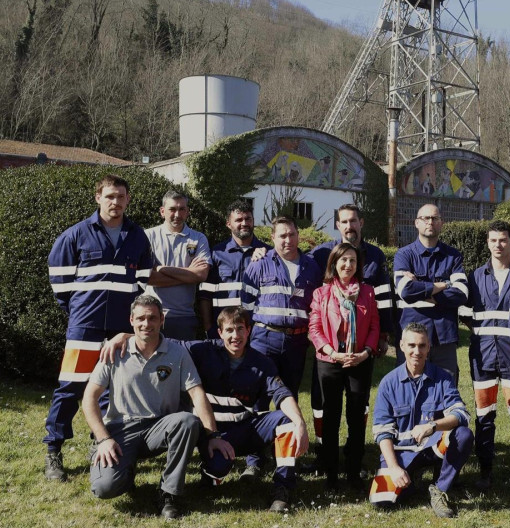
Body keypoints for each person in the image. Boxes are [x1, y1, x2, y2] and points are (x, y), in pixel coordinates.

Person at [101, 305, 310, 513]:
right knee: (218, 467)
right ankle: (208, 474)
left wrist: (300, 423)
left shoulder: (262, 362)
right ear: (220, 333)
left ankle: (283, 487)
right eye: (229, 330)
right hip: (209, 433)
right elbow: (155, 337)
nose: (235, 335)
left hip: (243, 428)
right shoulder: (202, 349)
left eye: (240, 329)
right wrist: (124, 336)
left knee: (286, 421)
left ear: (249, 331)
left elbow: (282, 395)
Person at [82, 295, 233, 519]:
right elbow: (88, 400)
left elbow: (197, 394)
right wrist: (103, 439)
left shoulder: (177, 353)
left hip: (159, 427)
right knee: (105, 488)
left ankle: (168, 494)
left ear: (162, 319)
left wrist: (214, 434)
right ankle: (122, 468)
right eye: (141, 318)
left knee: (187, 421)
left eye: (152, 318)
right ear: (131, 320)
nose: (146, 324)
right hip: (120, 429)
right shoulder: (113, 351)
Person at [44, 174, 153, 481]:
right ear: (98, 198)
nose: (115, 202)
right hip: (85, 327)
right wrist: (79, 312)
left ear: (128, 200)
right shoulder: (76, 235)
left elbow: (142, 282)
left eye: (120, 196)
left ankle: (100, 444)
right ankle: (54, 450)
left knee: (112, 390)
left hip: (119, 328)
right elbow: (60, 284)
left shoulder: (137, 236)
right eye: (109, 196)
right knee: (70, 389)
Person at [306, 203, 393, 471]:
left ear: (361, 223)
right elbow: (315, 322)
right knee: (327, 411)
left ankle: (355, 461)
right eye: (343, 221)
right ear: (337, 225)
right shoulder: (320, 255)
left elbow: (383, 305)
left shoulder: (375, 259)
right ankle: (326, 460)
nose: (349, 226)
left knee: (358, 410)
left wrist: (374, 345)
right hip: (330, 357)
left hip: (360, 355)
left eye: (353, 221)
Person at [240, 216, 322, 477]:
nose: (287, 240)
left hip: (296, 343)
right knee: (258, 398)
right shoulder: (259, 264)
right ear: (272, 238)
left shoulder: (312, 267)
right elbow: (246, 308)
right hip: (263, 340)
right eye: (282, 235)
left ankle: (285, 456)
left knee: (289, 397)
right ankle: (254, 459)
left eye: (292, 234)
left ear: (299, 235)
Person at [461, 220, 510, 494]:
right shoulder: (474, 277)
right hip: (482, 356)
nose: (498, 245)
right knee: (484, 416)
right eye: (493, 240)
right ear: (487, 243)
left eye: (503, 240)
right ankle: (485, 472)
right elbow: (464, 313)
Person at [369, 323, 474, 518]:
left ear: (429, 347)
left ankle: (439, 488)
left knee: (464, 434)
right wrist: (394, 468)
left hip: (431, 448)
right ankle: (411, 479)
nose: (417, 351)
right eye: (411, 345)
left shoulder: (442, 378)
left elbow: (462, 414)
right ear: (401, 346)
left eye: (422, 346)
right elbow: (382, 432)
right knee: (382, 502)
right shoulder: (388, 383)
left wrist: (433, 426)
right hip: (401, 452)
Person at [308, 242, 381, 488]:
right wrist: (331, 352)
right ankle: (330, 472)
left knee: (356, 415)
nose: (348, 265)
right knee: (330, 416)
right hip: (330, 361)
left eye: (352, 261)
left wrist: (366, 352)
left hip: (359, 360)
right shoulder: (322, 293)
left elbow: (374, 326)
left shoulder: (367, 292)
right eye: (343, 260)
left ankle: (353, 469)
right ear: (334, 264)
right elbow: (315, 329)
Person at [393, 203, 468, 380]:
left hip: (444, 339)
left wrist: (421, 287)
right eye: (425, 218)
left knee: (446, 393)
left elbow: (462, 293)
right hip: (412, 338)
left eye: (435, 218)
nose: (430, 222)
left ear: (441, 223)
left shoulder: (453, 256)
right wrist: (444, 285)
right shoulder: (403, 255)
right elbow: (406, 290)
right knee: (409, 391)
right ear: (416, 223)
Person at [145, 190, 211, 340]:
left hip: (184, 317)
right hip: (151, 316)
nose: (177, 214)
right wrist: (189, 274)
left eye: (182, 209)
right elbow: (148, 278)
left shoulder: (198, 238)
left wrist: (162, 269)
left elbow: (201, 274)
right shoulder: (148, 236)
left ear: (187, 211)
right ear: (162, 211)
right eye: (172, 209)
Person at [199, 200, 269, 338]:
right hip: (223, 329)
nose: (244, 223)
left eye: (248, 219)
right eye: (238, 219)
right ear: (228, 224)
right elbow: (205, 294)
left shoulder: (267, 254)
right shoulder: (217, 253)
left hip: (257, 329)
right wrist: (208, 327)